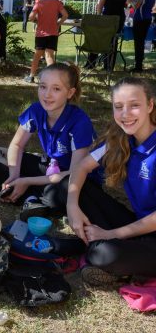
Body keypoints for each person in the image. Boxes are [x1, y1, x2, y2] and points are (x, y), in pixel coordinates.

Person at [66, 77, 156, 286]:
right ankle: (115, 257)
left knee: (104, 253)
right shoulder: (122, 138)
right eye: (118, 107)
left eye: (134, 106)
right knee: (70, 188)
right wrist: (72, 208)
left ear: (150, 105)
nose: (125, 114)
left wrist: (109, 234)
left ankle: (110, 257)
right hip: (138, 226)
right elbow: (81, 167)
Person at [0, 62, 99, 220]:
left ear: (70, 93)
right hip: (52, 168)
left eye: (56, 89)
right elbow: (16, 145)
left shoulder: (79, 123)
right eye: (43, 86)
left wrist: (26, 180)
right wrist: (14, 175)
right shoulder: (36, 110)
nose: (47, 95)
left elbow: (75, 173)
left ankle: (33, 197)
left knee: (66, 190)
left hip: (76, 179)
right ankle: (31, 200)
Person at [23, 0, 68, 83]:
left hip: (41, 34)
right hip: (53, 33)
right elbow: (65, 15)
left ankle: (31, 76)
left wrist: (36, 21)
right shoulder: (57, 3)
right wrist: (58, 23)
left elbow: (30, 17)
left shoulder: (39, 3)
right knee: (49, 56)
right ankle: (52, 79)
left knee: (37, 56)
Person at [85, 0, 128, 71]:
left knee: (97, 39)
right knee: (113, 42)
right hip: (119, 19)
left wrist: (98, 18)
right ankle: (109, 66)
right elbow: (124, 5)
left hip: (107, 19)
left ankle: (91, 64)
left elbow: (100, 6)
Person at [130, 0, 156, 72]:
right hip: (148, 17)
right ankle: (139, 65)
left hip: (139, 18)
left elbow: (137, 6)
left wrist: (130, 0)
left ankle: (138, 66)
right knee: (142, 41)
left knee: (139, 43)